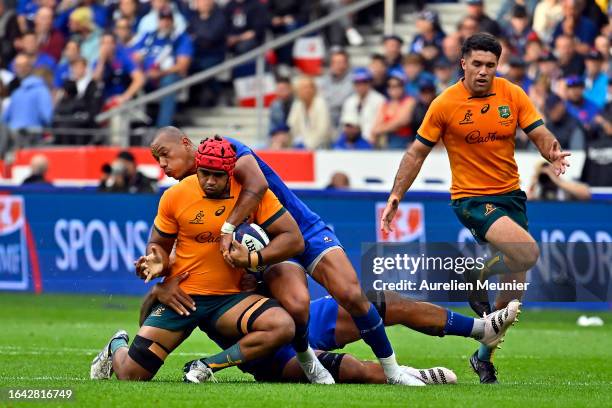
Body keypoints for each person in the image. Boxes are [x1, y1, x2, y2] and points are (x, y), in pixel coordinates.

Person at [148, 127, 428, 385]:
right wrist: (162, 281)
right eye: (156, 160)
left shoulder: (226, 150)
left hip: (296, 230)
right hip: (266, 250)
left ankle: (396, 371)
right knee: (296, 304)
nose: (162, 166)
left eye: (164, 156)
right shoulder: (185, 194)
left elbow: (257, 185)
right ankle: (308, 359)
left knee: (354, 296)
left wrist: (230, 232)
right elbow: (186, 254)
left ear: (186, 144)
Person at [380, 33, 570, 384]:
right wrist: (396, 195)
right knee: (526, 252)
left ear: (497, 66)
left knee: (509, 305)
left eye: (490, 65)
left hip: (511, 196)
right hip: (471, 199)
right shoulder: (444, 104)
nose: (484, 71)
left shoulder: (511, 93)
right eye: (477, 64)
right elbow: (416, 153)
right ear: (463, 63)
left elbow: (538, 130)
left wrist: (552, 152)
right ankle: (477, 275)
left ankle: (482, 358)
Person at [90, 137, 302, 383]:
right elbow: (158, 244)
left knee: (282, 326)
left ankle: (206, 366)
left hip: (230, 301)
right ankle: (117, 344)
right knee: (131, 375)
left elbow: (294, 239)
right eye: (204, 173)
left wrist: (253, 258)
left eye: (218, 175)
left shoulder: (251, 196)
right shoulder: (176, 195)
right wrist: (157, 261)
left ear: (230, 172)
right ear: (197, 168)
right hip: (182, 297)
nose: (210, 181)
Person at [149, 275, 520, 384]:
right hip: (269, 354)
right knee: (355, 371)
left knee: (380, 301)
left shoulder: (259, 244)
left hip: (303, 319)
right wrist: (156, 290)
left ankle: (480, 328)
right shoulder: (198, 279)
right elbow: (155, 313)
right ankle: (411, 376)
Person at [133, 6, 193, 127]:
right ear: (158, 21)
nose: (165, 23)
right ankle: (133, 128)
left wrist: (160, 73)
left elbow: (182, 65)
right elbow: (132, 54)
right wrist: (139, 65)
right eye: (162, 19)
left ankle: (162, 129)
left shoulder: (180, 38)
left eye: (168, 19)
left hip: (166, 76)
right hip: (144, 75)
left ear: (172, 21)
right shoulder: (149, 36)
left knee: (169, 82)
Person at [370, 70, 416, 149]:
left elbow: (401, 121)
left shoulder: (410, 101)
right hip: (388, 141)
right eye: (390, 86)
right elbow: (375, 127)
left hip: (404, 141)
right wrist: (379, 130)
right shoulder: (386, 104)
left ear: (403, 86)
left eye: (397, 85)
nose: (393, 89)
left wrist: (381, 129)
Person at [340, 67, 385, 143]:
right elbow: (346, 126)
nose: (361, 86)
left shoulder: (380, 100)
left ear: (370, 83)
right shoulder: (349, 101)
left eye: (364, 82)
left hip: (372, 142)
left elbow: (380, 125)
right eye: (357, 82)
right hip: (352, 142)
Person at [287, 76, 332, 149]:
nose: (307, 90)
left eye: (309, 87)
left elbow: (323, 131)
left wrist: (307, 144)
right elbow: (291, 126)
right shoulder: (297, 104)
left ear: (314, 89)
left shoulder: (320, 103)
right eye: (303, 88)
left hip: (321, 145)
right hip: (301, 144)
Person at [320, 48, 353, 129]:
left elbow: (341, 102)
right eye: (335, 62)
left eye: (341, 62)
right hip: (327, 120)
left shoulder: (353, 80)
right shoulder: (324, 80)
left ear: (347, 64)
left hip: (346, 120)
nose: (338, 65)